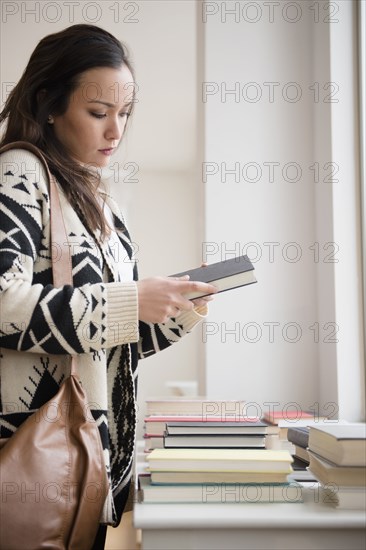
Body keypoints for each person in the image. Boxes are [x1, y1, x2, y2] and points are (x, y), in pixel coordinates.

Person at [0, 24, 216, 549]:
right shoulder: (19, 172)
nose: (115, 132)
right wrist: (130, 300)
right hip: (35, 458)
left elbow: (112, 342)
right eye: (99, 114)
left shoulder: (103, 205)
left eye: (124, 115)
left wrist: (177, 309)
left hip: (91, 464)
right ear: (49, 104)